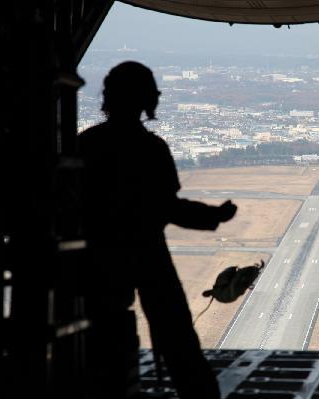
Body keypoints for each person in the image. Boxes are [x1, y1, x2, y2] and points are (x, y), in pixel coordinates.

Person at [79, 61, 236, 398]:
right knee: (178, 340)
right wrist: (215, 216)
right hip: (147, 251)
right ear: (144, 99)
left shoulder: (88, 143)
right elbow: (168, 207)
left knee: (101, 342)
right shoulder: (151, 149)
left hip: (98, 254)